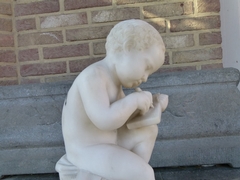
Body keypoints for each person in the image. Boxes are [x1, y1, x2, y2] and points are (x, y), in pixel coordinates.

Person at [56, 19, 167, 180]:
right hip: (87, 150)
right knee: (144, 174)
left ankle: (125, 173)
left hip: (109, 142)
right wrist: (134, 101)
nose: (145, 78)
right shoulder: (93, 77)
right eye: (146, 67)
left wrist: (151, 108)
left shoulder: (115, 83)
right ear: (127, 49)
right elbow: (105, 120)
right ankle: (135, 172)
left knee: (149, 130)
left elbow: (123, 120)